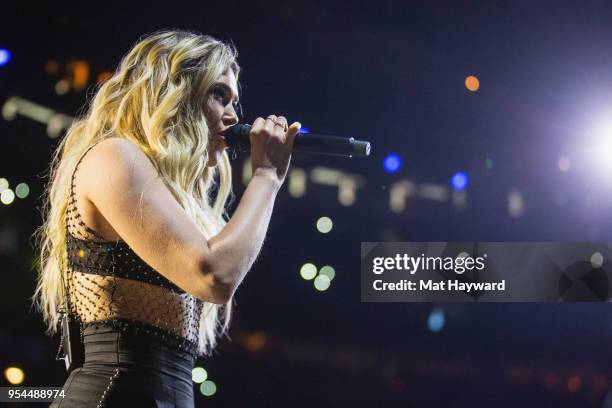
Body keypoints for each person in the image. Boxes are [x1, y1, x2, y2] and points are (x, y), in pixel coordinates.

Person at [31, 29, 300, 407]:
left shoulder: (170, 197)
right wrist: (267, 176)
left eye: (234, 100)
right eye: (218, 94)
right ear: (172, 91)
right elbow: (214, 275)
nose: (233, 115)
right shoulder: (113, 157)